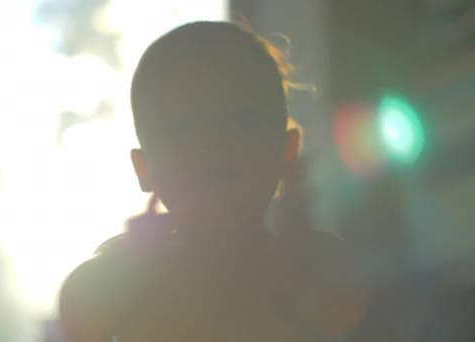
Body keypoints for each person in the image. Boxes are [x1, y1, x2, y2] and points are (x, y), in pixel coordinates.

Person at [58, 21, 366, 342]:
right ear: (144, 168)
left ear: (288, 151)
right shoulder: (112, 284)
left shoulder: (320, 270)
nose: (215, 140)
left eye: (243, 118)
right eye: (184, 125)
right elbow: (80, 307)